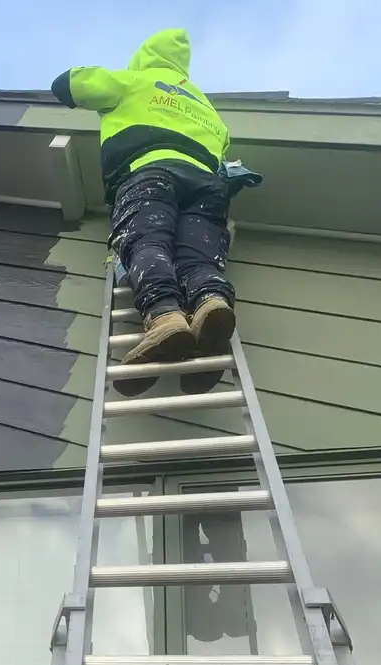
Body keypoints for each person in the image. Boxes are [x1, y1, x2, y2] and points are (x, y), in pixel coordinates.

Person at [52, 28, 260, 395]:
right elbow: (223, 146)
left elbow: (70, 84)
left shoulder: (135, 80)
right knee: (198, 258)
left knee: (148, 241)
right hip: (208, 186)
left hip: (151, 172)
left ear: (145, 56)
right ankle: (210, 305)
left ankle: (165, 317)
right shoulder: (204, 105)